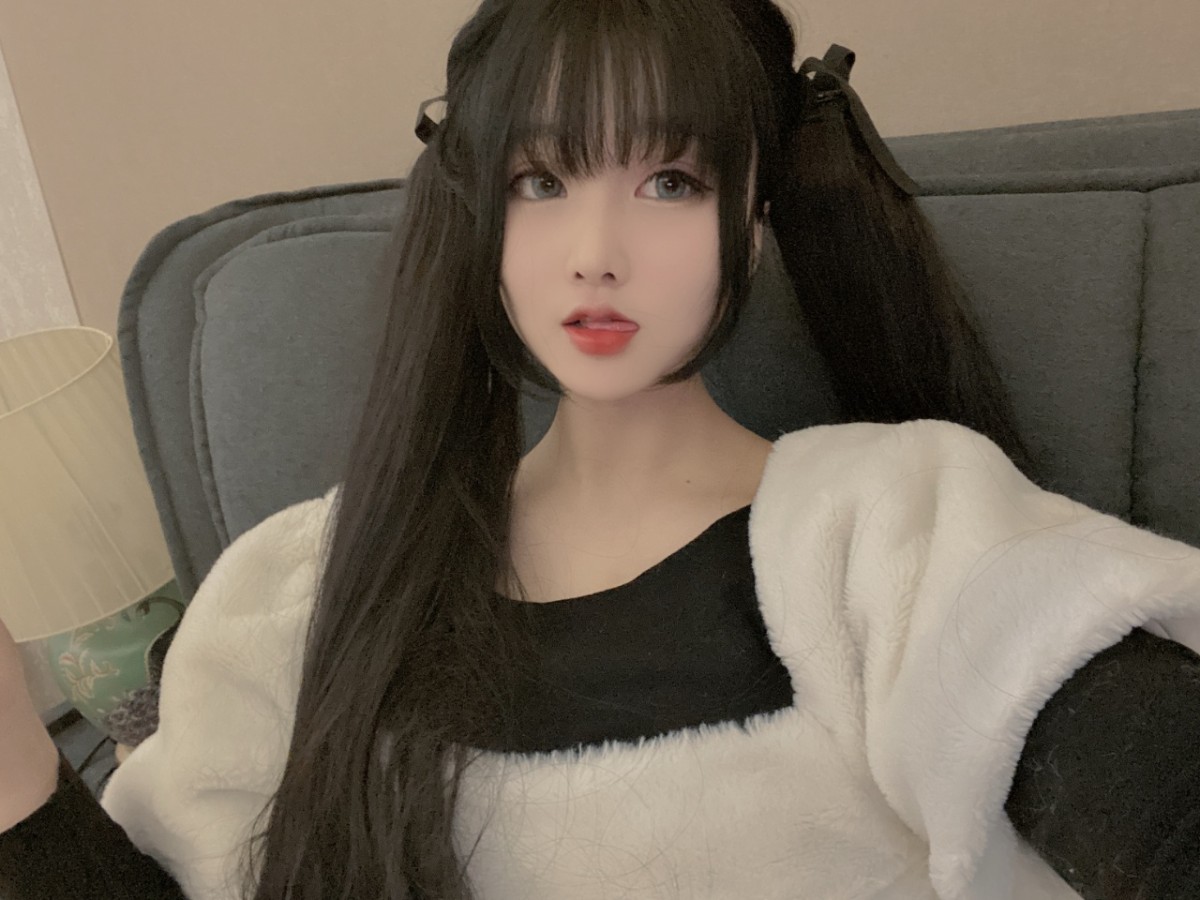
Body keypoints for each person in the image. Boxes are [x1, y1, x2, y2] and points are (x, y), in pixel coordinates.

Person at [3, 0, 1200, 897]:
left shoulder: (890, 528)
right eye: (541, 179)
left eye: (669, 180)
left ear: (754, 215)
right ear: (478, 211)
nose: (596, 251)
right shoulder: (303, 592)